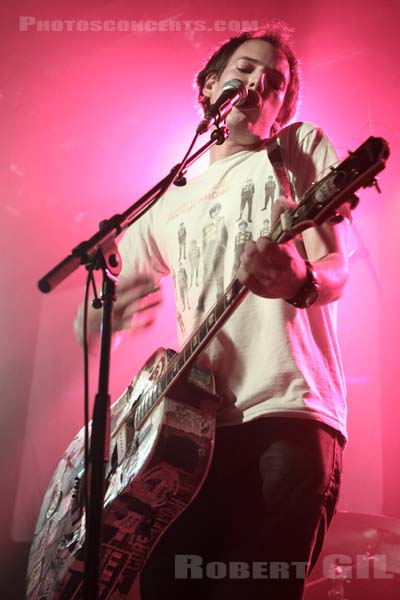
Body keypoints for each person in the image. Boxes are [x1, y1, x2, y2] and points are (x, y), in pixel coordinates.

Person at [74, 23, 350, 600]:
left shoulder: (295, 148)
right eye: (246, 68)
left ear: (281, 107)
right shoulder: (167, 200)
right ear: (210, 87)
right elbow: (98, 319)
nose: (260, 83)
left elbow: (335, 269)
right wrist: (103, 318)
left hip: (287, 414)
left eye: (276, 82)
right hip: (190, 434)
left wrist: (299, 280)